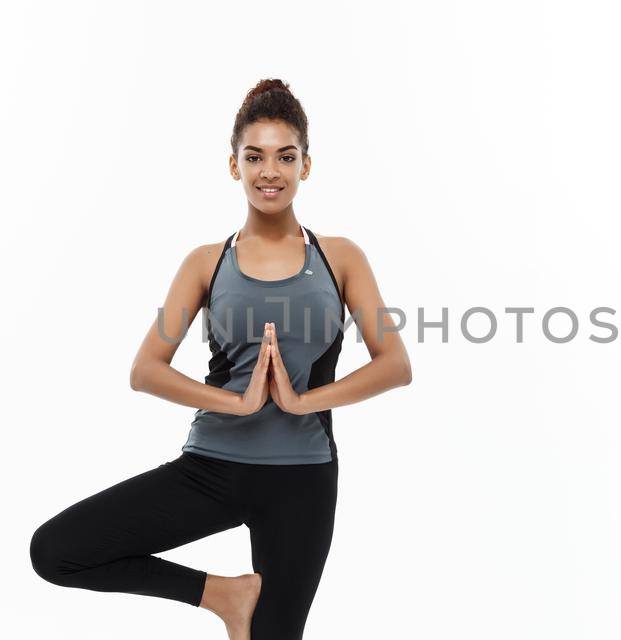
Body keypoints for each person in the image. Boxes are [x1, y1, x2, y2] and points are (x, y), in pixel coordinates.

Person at [29, 78, 413, 640]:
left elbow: (394, 363)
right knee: (57, 551)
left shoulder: (341, 258)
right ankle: (225, 596)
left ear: (306, 166)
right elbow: (146, 368)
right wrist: (236, 403)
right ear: (234, 166)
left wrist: (303, 400)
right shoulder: (205, 264)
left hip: (302, 479)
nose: (270, 172)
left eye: (286, 157)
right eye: (254, 157)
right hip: (211, 468)